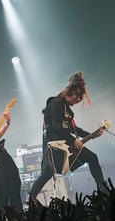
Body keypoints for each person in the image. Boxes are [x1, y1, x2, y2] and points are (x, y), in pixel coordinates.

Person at [27, 72, 107, 200]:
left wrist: (91, 135)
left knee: (92, 157)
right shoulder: (56, 103)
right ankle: (31, 199)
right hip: (55, 145)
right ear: (73, 95)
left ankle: (103, 190)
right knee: (46, 174)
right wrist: (74, 140)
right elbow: (57, 127)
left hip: (65, 143)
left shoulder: (66, 108)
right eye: (77, 100)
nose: (77, 102)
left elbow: (71, 128)